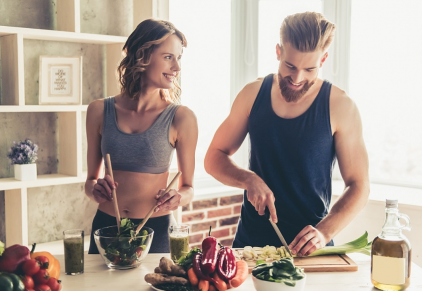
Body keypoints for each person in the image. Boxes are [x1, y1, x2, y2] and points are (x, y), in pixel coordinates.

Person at [204, 12, 369, 257]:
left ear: (322, 60)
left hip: (309, 250)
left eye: (309, 69)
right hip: (250, 246)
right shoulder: (251, 94)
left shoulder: (341, 106)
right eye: (290, 66)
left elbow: (359, 186)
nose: (297, 78)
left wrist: (324, 232)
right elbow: (213, 158)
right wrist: (248, 179)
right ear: (278, 52)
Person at [85, 19, 198, 254]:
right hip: (106, 228)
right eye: (168, 57)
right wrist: (95, 189)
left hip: (155, 230)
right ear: (142, 56)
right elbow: (90, 182)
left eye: (179, 58)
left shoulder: (181, 118)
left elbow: (188, 187)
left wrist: (178, 197)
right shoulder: (98, 110)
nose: (177, 67)